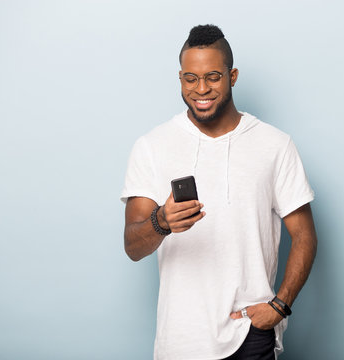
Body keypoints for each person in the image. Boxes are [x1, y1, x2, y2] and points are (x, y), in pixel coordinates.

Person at [121, 24, 317, 360]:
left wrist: (280, 306)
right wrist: (161, 222)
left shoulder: (275, 145)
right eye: (190, 78)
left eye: (213, 77)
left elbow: (304, 236)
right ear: (180, 78)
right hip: (180, 338)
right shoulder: (152, 146)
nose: (201, 89)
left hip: (250, 331)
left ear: (232, 76)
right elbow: (132, 246)